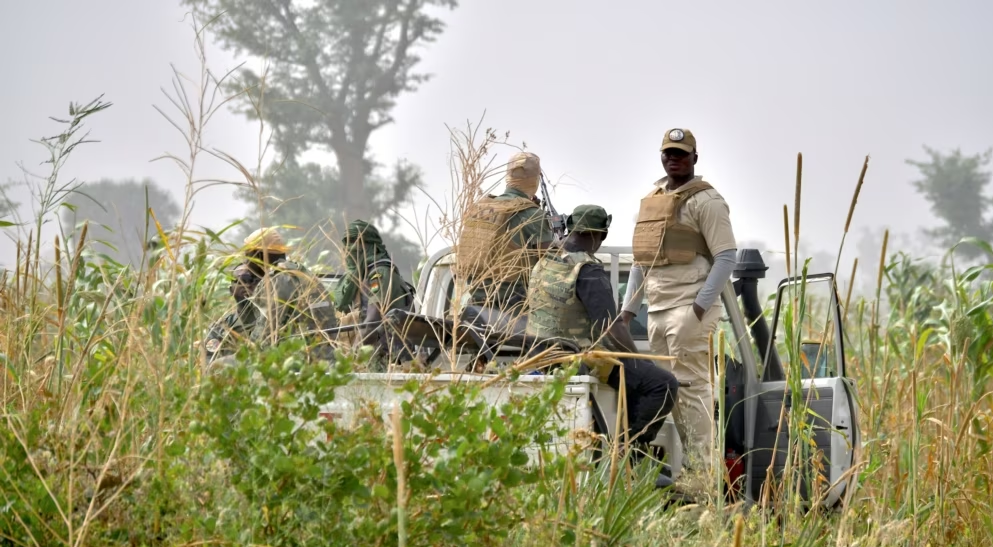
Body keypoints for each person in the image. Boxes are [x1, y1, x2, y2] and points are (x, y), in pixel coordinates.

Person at [526, 204, 680, 488]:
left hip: (538, 358)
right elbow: (611, 326)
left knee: (633, 375)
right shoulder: (588, 271)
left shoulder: (543, 262)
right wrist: (639, 360)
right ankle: (627, 458)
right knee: (661, 383)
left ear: (571, 228)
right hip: (573, 359)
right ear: (601, 235)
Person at [621, 128, 737, 497]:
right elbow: (642, 259)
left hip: (687, 308)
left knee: (693, 392)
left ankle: (702, 481)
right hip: (656, 309)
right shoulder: (652, 200)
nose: (675, 159)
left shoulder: (708, 201)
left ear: (694, 158)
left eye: (682, 154)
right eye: (669, 153)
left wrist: (699, 307)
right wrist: (628, 310)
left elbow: (726, 256)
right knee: (667, 393)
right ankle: (680, 476)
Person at [455, 151, 555, 325]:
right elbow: (551, 264)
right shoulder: (532, 215)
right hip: (513, 313)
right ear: (535, 179)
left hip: (476, 308)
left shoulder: (479, 209)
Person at [243, 227, 338, 355]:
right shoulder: (303, 273)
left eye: (247, 256)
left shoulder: (276, 280)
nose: (245, 262)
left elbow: (263, 338)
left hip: (300, 361)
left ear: (258, 256)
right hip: (326, 356)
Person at [333, 220, 416, 368]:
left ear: (371, 246)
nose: (349, 250)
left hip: (384, 360)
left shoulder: (380, 273)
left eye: (356, 244)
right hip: (369, 356)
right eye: (347, 243)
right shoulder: (360, 277)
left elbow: (372, 321)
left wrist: (352, 359)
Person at [203, 262, 259, 362]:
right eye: (242, 280)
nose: (247, 285)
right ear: (231, 290)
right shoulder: (219, 329)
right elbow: (208, 361)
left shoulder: (272, 323)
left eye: (253, 280)